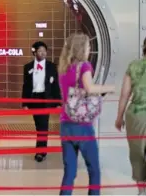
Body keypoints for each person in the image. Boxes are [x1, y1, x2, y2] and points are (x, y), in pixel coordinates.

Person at [58, 32, 115, 195]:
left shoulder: (63, 68)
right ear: (81, 48)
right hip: (82, 126)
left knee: (69, 172)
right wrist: (109, 88)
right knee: (94, 170)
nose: (90, 50)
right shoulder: (84, 66)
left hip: (65, 123)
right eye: (88, 47)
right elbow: (89, 88)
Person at [115, 34, 146, 196]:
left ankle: (141, 191)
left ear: (144, 48)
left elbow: (125, 94)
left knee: (137, 154)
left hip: (137, 116)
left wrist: (119, 117)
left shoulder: (133, 66)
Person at [22, 41, 62, 162]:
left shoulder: (52, 66)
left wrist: (58, 102)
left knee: (43, 126)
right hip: (34, 98)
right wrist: (24, 103)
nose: (43, 53)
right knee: (39, 126)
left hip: (46, 99)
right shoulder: (28, 67)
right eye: (40, 51)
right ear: (34, 52)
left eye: (44, 51)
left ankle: (41, 152)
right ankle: (41, 148)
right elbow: (26, 86)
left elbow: (55, 85)